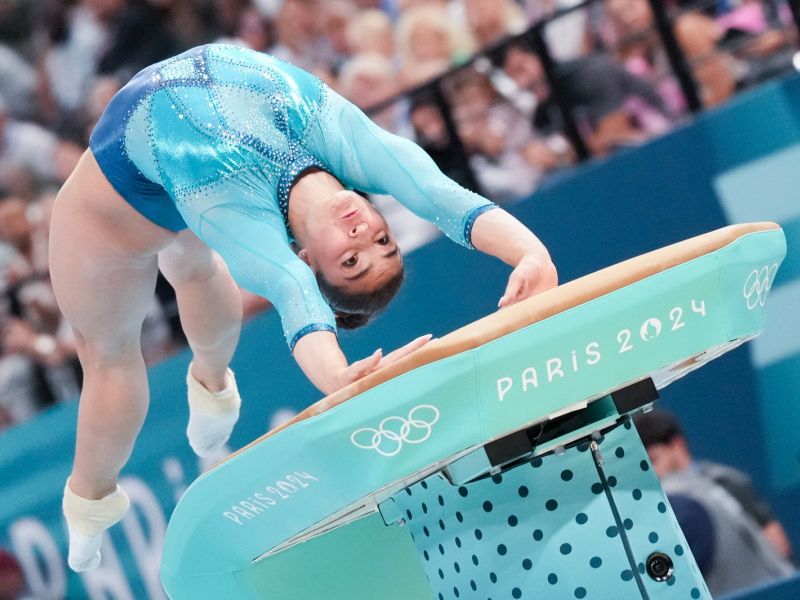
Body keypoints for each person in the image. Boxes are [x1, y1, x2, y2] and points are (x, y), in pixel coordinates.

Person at [51, 44, 557, 573]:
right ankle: (213, 391)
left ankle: (87, 500)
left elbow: (292, 291)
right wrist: (530, 252)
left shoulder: (244, 213)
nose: (364, 233)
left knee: (110, 353)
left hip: (117, 216)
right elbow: (436, 193)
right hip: (159, 184)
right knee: (194, 267)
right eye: (383, 240)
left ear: (306, 256)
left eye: (351, 261)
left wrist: (339, 378)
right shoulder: (338, 140)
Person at [635, 410, 795, 596]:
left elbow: (776, 543)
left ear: (677, 445)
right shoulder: (665, 504)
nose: (652, 473)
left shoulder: (726, 482)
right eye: (643, 467)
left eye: (653, 460)